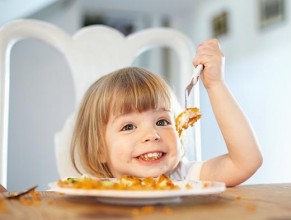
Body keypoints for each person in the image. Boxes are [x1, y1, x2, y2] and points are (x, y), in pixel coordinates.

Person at [70, 39, 262, 187]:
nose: (152, 135)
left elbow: (246, 161)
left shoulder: (185, 177)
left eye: (162, 122)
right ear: (99, 149)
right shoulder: (93, 192)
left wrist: (215, 85)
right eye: (129, 126)